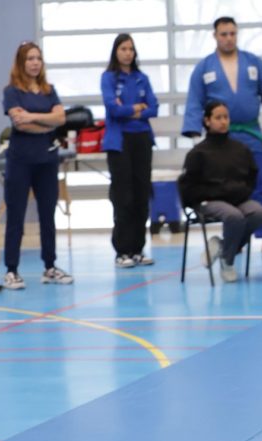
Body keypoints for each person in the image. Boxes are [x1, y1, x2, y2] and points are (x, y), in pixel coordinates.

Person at [182, 16, 262, 255]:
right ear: (215, 36)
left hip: (250, 133)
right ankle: (233, 240)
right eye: (224, 34)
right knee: (224, 189)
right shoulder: (204, 67)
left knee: (260, 187)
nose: (229, 38)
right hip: (219, 141)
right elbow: (194, 102)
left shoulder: (253, 63)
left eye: (232, 34)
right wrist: (197, 139)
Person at [1, 42, 71, 290]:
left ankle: (50, 267)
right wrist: (47, 122)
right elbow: (19, 124)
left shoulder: (49, 90)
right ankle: (11, 270)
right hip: (20, 161)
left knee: (47, 215)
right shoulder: (12, 91)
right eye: (30, 58)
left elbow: (61, 118)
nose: (34, 63)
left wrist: (32, 116)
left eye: (38, 58)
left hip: (47, 160)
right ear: (21, 63)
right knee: (16, 216)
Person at [178, 102, 262, 283]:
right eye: (218, 118)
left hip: (237, 199)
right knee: (233, 216)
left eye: (226, 117)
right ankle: (228, 261)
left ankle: (221, 246)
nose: (223, 122)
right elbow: (188, 185)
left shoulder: (241, 149)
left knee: (259, 213)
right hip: (208, 200)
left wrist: (241, 192)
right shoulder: (198, 153)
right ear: (207, 121)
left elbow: (252, 176)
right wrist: (209, 195)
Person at [102, 33, 159, 269]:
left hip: (142, 139)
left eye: (131, 49)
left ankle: (138, 249)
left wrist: (130, 110)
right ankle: (122, 250)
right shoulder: (108, 78)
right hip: (119, 142)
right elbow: (112, 109)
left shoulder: (141, 78)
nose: (128, 53)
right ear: (116, 52)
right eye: (123, 49)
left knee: (141, 194)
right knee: (123, 196)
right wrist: (135, 108)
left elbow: (153, 107)